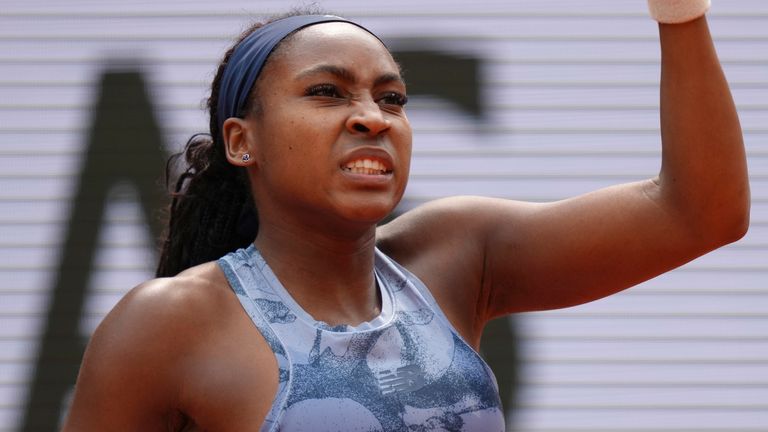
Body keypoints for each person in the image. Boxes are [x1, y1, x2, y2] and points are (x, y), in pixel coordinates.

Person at [62, 2, 749, 431]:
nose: (371, 117)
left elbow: (699, 212)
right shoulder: (166, 324)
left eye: (392, 100)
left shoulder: (455, 255)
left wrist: (680, 12)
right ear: (243, 141)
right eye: (327, 92)